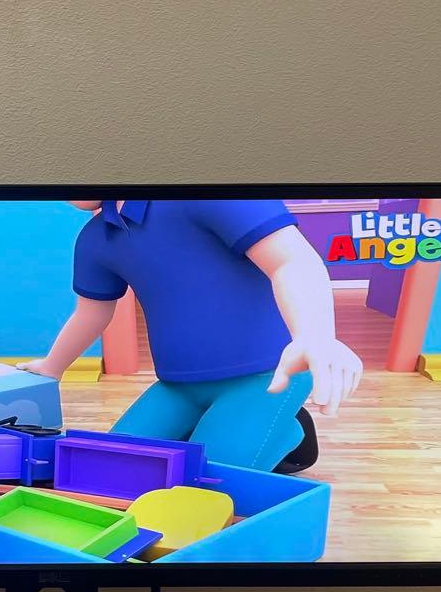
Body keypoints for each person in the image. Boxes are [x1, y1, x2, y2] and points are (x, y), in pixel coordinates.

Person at [21, 200, 362, 472]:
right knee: (110, 467)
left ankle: (287, 430)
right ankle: (232, 423)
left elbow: (291, 259)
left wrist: (314, 336)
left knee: (211, 482)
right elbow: (92, 312)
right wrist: (53, 367)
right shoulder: (97, 238)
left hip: (267, 374)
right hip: (177, 385)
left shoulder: (208, 194)